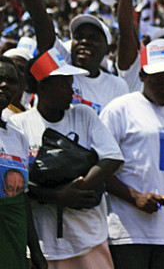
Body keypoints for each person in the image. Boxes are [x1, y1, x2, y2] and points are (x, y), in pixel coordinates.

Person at [8, 48, 124, 268]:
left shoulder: (84, 114)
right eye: (64, 84)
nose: (71, 90)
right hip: (46, 243)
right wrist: (56, 196)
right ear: (42, 86)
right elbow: (16, 184)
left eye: (71, 83)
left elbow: (112, 157)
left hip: (89, 237)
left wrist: (77, 188)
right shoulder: (19, 125)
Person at [100, 38, 164, 269]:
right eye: (158, 84)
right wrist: (135, 197)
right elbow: (99, 170)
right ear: (143, 75)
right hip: (129, 232)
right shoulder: (119, 109)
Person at [6, 0, 128, 114]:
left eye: (93, 38)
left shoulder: (117, 87)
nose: (85, 41)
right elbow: (42, 22)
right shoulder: (61, 64)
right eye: (79, 37)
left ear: (107, 49)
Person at [0, 56, 45, 269]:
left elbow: (22, 197)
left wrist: (35, 251)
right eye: (0, 78)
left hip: (13, 241)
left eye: (10, 81)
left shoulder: (17, 136)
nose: (4, 85)